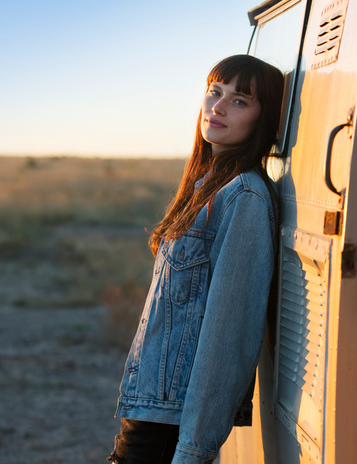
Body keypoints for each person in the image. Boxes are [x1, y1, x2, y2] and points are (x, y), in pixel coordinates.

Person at [106, 54, 285, 464]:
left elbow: (230, 336)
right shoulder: (208, 184)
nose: (218, 107)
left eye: (240, 101)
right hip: (149, 410)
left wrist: (193, 450)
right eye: (214, 92)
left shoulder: (245, 197)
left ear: (264, 119)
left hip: (170, 427)